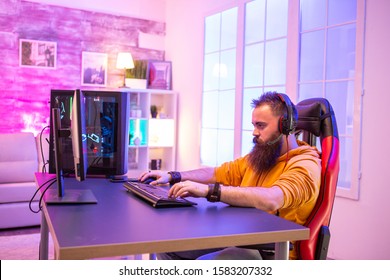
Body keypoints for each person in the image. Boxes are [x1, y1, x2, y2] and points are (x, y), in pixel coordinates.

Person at [139, 91, 321, 260]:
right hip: (243, 234)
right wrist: (173, 175)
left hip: (270, 251)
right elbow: (217, 173)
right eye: (254, 125)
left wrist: (209, 191)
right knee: (169, 243)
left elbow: (273, 198)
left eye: (261, 126)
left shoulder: (305, 165)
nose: (254, 132)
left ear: (285, 127)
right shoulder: (263, 156)